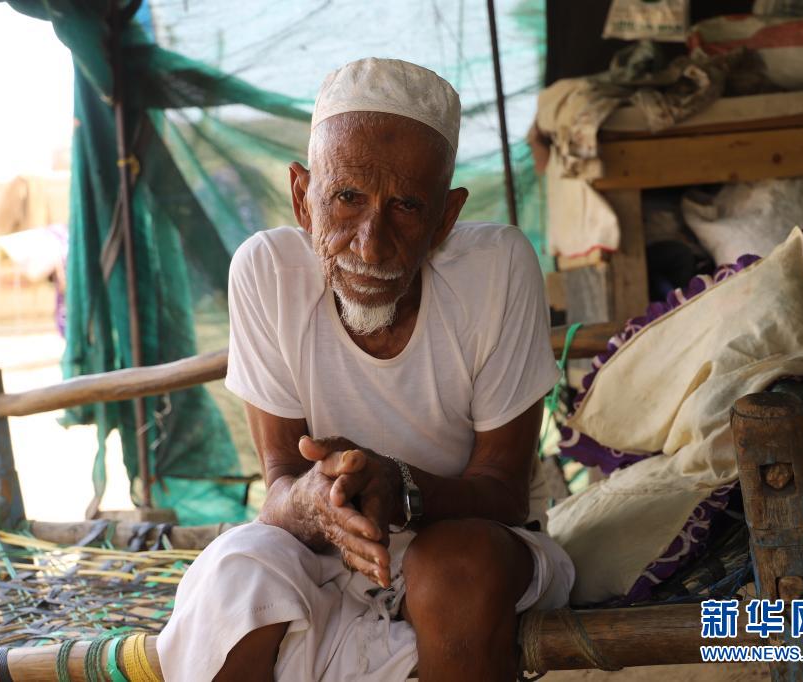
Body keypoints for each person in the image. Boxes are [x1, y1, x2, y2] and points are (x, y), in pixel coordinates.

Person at [157, 57, 574, 682]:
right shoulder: (266, 271)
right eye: (347, 198)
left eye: (406, 207)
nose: (370, 244)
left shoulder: (496, 269)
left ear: (446, 217)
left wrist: (400, 491)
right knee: (232, 573)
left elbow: (504, 492)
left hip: (472, 542)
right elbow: (281, 482)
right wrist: (315, 500)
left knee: (453, 569)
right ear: (303, 198)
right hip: (324, 552)